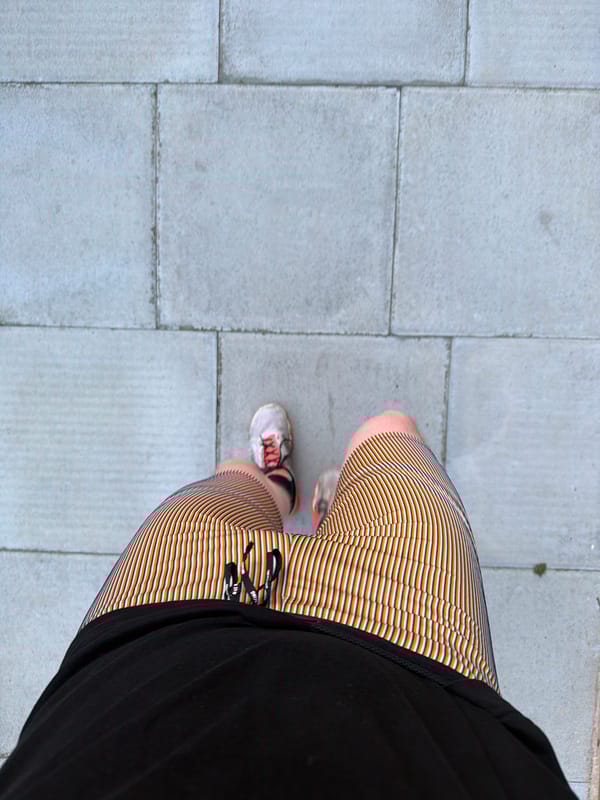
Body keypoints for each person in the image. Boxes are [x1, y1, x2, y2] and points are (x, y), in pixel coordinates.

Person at [0, 403, 576, 798]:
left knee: (230, 481)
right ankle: (330, 502)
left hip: (168, 614)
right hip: (412, 648)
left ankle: (278, 488)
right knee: (388, 431)